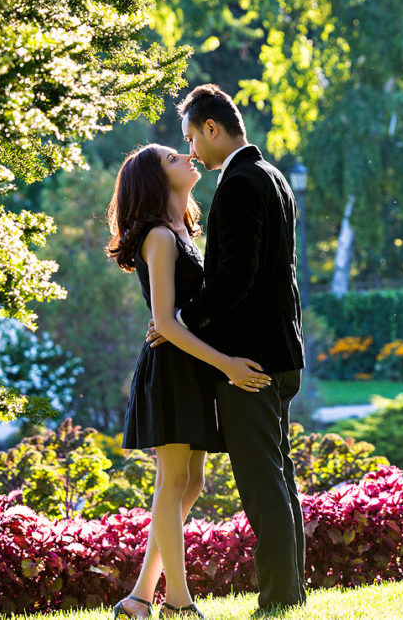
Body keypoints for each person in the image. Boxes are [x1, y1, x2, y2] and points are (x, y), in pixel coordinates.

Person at [148, 84, 307, 613]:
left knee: (263, 485)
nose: (192, 150)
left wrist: (180, 319)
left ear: (212, 128)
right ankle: (291, 593)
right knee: (279, 476)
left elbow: (236, 275)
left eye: (192, 137)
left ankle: (277, 600)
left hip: (249, 362)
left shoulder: (239, 183)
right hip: (282, 353)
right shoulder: (274, 177)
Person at [105, 144, 272, 620]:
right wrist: (227, 365)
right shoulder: (159, 236)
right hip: (173, 369)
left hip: (190, 366)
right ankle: (177, 602)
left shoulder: (183, 230)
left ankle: (139, 598)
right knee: (173, 479)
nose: (187, 156)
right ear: (158, 181)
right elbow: (166, 323)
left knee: (190, 481)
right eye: (173, 159)